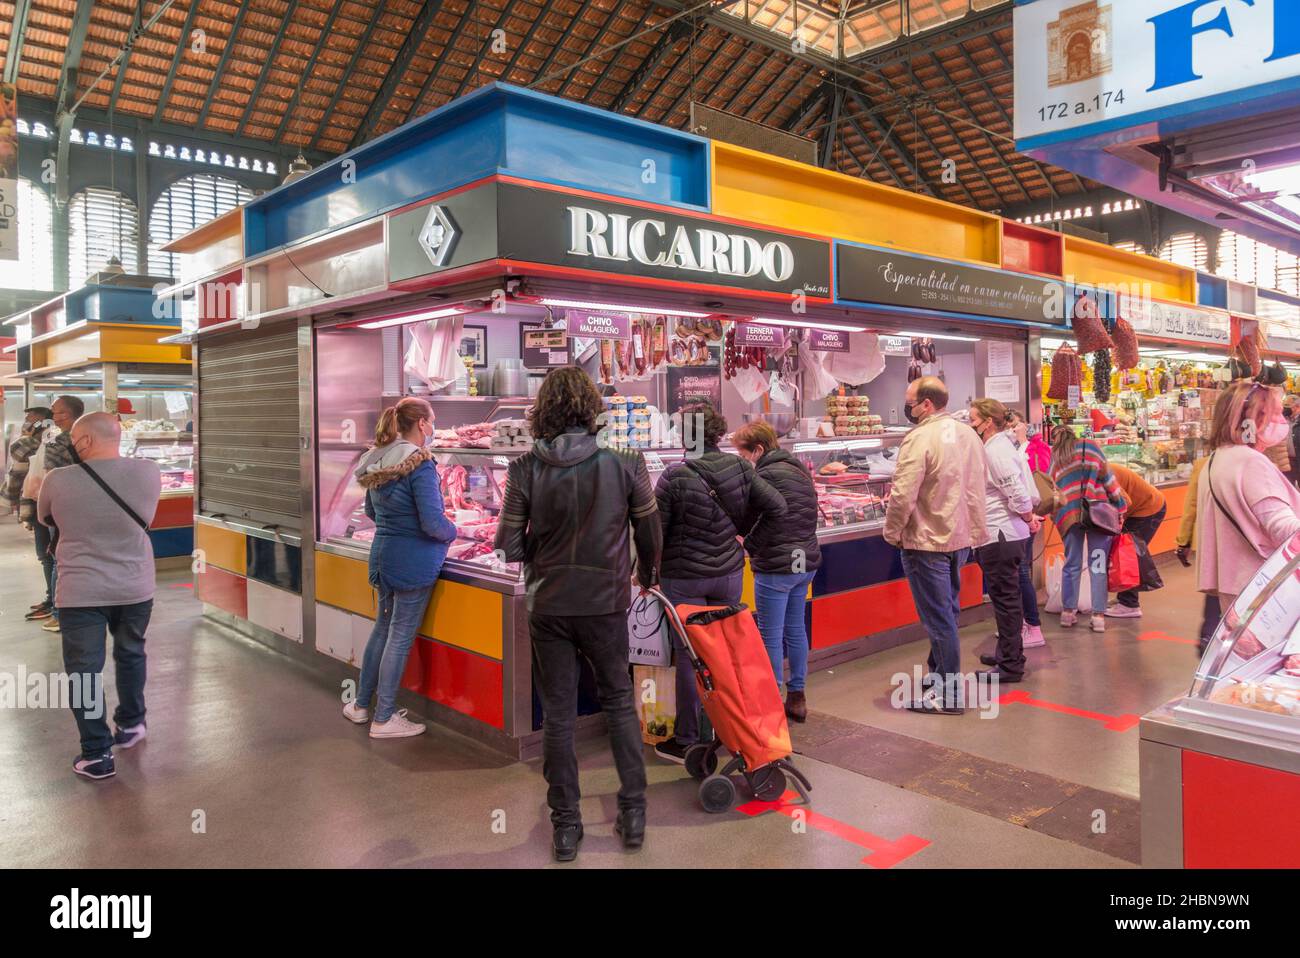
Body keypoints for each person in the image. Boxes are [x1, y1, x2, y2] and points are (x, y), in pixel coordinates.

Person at [494, 367, 661, 862]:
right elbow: (650, 536)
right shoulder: (628, 461)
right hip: (607, 603)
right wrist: (646, 576)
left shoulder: (525, 467)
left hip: (548, 604)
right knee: (619, 703)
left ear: (544, 409)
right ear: (593, 408)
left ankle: (566, 825)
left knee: (560, 717)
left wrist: (541, 549)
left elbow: (507, 545)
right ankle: (633, 813)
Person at [652, 401, 786, 760]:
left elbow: (655, 533)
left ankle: (687, 739)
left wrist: (646, 572)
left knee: (689, 655)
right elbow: (777, 507)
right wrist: (746, 541)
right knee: (725, 654)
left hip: (683, 579)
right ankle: (727, 732)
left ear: (684, 434)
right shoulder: (740, 467)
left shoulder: (674, 476)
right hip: (728, 574)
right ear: (716, 433)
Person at [37, 412, 161, 780]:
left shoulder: (57, 479)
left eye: (73, 440)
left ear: (85, 442)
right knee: (131, 653)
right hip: (135, 587)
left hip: (80, 592)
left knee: (84, 672)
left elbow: (46, 519)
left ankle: (96, 754)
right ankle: (133, 725)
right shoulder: (148, 472)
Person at [344, 397, 458, 739]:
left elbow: (372, 513)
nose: (434, 426)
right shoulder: (419, 463)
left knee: (382, 629)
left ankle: (361, 706)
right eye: (433, 420)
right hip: (412, 561)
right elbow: (433, 523)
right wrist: (457, 531)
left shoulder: (378, 458)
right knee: (399, 638)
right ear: (422, 423)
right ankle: (384, 718)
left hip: (383, 554)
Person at [884, 376, 987, 715]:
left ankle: (950, 696)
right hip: (960, 538)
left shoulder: (919, 437)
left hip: (926, 540)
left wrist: (892, 531)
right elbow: (976, 484)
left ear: (926, 404)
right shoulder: (969, 434)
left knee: (938, 618)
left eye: (910, 401)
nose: (907, 408)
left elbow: (903, 493)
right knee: (948, 611)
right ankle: (938, 677)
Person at [732, 419, 821, 722]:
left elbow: (763, 521)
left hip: (776, 565)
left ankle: (770, 702)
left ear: (758, 449)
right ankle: (797, 696)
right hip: (803, 561)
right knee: (795, 628)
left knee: (769, 635)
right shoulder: (799, 470)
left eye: (744, 456)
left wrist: (750, 544)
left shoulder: (765, 476)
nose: (744, 462)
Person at [1197, 380, 1300, 611]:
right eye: (1272, 414)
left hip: (1238, 586)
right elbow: (1284, 529)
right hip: (1267, 589)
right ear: (1250, 421)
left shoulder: (1217, 459)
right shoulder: (1251, 462)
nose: (1280, 422)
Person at [970, 399, 1039, 683]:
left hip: (1001, 535)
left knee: (1006, 601)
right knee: (1005, 600)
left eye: (974, 419)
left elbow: (1017, 492)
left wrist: (1027, 517)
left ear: (987, 422)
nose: (970, 424)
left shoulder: (996, 450)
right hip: (1002, 534)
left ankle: (1010, 666)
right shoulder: (996, 447)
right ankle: (1007, 654)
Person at [1050, 426, 1126, 633]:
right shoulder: (1092, 447)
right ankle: (1098, 616)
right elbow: (1109, 481)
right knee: (1098, 565)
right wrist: (1120, 507)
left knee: (1072, 564)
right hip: (1098, 515)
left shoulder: (1056, 456)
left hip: (1069, 515)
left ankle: (1068, 612)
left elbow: (1051, 487)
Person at [24, 395, 83, 635]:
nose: (55, 417)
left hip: (62, 510)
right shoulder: (90, 439)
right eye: (54, 412)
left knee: (59, 558)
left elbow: (50, 479)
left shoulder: (57, 442)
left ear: (70, 415)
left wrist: (43, 512)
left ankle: (60, 613)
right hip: (86, 508)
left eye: (59, 413)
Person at [1007, 410, 1048, 649]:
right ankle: (1018, 625)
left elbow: (1039, 471)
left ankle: (1033, 627)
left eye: (1014, 425)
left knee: (1022, 573)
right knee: (1016, 574)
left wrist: (1024, 443)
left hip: (1029, 516)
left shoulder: (1035, 446)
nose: (1011, 430)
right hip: (1017, 520)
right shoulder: (1003, 449)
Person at [1105, 464, 1167, 618]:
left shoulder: (1102, 474)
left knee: (1128, 554)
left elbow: (1125, 501)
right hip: (1142, 507)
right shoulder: (1097, 469)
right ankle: (1125, 599)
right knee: (1127, 552)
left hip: (1149, 508)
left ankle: (1129, 604)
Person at [1175, 455, 1220, 654]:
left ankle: (1208, 634)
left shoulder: (1204, 464)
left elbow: (1191, 506)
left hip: (1210, 539)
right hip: (1243, 543)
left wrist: (1183, 541)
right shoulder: (1254, 461)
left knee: (1214, 588)